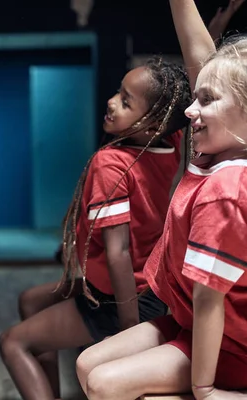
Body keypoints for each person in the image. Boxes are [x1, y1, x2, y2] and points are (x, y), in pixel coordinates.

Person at [75, 1, 247, 399]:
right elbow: (205, 65)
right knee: (86, 363)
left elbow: (210, 303)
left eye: (205, 101)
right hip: (188, 319)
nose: (190, 110)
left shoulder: (226, 189)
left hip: (230, 345)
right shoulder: (218, 149)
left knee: (103, 384)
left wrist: (204, 390)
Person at [0, 58, 192, 400]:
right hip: (145, 289)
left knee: (12, 342)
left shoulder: (112, 164)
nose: (112, 101)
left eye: (126, 101)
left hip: (120, 299)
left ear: (152, 124)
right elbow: (176, 103)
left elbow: (118, 253)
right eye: (119, 92)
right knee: (30, 301)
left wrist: (128, 331)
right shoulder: (168, 146)